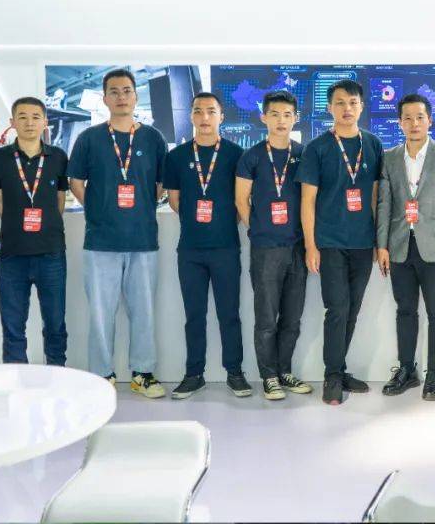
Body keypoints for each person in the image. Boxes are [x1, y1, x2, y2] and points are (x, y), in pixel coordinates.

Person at [67, 69, 167, 397]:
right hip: (100, 241)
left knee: (144, 312)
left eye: (127, 91)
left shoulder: (153, 138)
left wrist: (144, 206)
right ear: (105, 98)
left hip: (143, 240)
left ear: (136, 96)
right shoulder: (89, 138)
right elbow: (76, 182)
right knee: (100, 313)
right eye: (114, 91)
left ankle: (143, 373)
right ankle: (101, 375)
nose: (121, 97)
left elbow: (161, 184)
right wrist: (97, 208)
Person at [297, 79, 383, 406]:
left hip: (362, 243)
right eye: (340, 103)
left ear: (361, 107)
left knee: (352, 310)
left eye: (353, 103)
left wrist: (377, 241)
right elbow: (307, 201)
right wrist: (310, 245)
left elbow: (375, 196)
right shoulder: (317, 148)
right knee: (337, 309)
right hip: (330, 242)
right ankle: (332, 376)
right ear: (329, 107)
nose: (347, 109)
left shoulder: (372, 144)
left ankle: (340, 368)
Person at [376, 94, 435, 401]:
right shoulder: (389, 157)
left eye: (420, 117)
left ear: (430, 120)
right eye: (408, 118)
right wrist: (382, 246)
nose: (414, 123)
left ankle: (434, 374)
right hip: (400, 246)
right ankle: (406, 370)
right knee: (405, 311)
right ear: (400, 123)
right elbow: (384, 204)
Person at [165, 92, 249, 399]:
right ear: (190, 116)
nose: (204, 117)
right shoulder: (176, 156)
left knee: (230, 314)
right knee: (194, 316)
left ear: (221, 117)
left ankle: (235, 373)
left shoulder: (236, 154)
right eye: (198, 111)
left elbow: (241, 202)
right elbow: (174, 200)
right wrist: (198, 221)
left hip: (226, 248)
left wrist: (221, 223)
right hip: (190, 250)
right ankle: (194, 374)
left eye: (211, 111)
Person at [235, 91, 313, 401]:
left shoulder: (304, 154)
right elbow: (241, 199)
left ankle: (285, 371)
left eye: (287, 115)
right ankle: (269, 377)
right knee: (266, 318)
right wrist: (257, 230)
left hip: (297, 246)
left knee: (292, 317)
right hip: (266, 248)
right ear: (263, 117)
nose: (281, 120)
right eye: (275, 114)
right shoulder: (251, 156)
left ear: (296, 118)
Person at [0, 97, 70, 366]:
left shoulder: (58, 157)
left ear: (45, 122)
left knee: (55, 324)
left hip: (51, 253)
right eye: (22, 117)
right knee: (13, 326)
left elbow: (59, 201)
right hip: (13, 254)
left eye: (36, 117)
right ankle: (16, 378)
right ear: (12, 122)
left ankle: (57, 374)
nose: (29, 122)